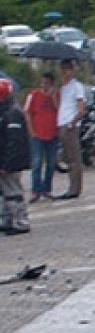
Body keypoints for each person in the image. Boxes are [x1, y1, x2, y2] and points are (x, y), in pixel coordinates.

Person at [0, 79, 32, 234]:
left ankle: (21, 222)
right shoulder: (5, 111)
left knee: (13, 192)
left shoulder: (12, 113)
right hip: (5, 159)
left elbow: (15, 142)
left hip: (11, 161)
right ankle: (6, 220)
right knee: (4, 193)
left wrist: (7, 164)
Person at [23, 72, 59, 203]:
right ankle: (35, 190)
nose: (44, 86)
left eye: (47, 83)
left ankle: (47, 189)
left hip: (53, 134)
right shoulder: (33, 95)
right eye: (43, 83)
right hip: (37, 134)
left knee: (51, 163)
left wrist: (53, 97)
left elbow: (60, 110)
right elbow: (27, 113)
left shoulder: (57, 96)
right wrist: (31, 131)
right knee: (37, 163)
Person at [55, 59, 86, 200]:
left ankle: (75, 188)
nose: (64, 72)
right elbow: (60, 105)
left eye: (67, 69)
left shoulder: (77, 87)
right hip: (62, 122)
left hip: (70, 125)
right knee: (67, 158)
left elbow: (81, 109)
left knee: (74, 158)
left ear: (72, 70)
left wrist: (72, 123)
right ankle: (71, 186)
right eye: (62, 69)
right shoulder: (63, 87)